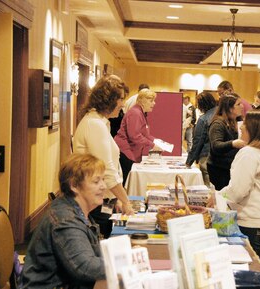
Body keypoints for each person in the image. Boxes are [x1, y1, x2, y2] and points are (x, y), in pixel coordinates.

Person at [20, 153, 106, 289]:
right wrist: (126, 263)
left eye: (103, 180)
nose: (103, 186)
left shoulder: (74, 209)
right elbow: (85, 268)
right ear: (74, 185)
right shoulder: (65, 220)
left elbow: (90, 252)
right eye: (96, 181)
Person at [73, 75, 134, 238]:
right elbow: (106, 169)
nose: (122, 104)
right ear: (108, 100)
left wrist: (119, 199)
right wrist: (126, 201)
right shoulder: (95, 124)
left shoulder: (100, 122)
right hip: (93, 201)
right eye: (120, 99)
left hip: (102, 199)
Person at [219, 110, 260, 260]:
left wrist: (219, 196)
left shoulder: (249, 153)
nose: (240, 127)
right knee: (257, 266)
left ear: (254, 129)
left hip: (252, 220)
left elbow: (238, 191)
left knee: (247, 269)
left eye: (245, 124)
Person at [114, 89, 161, 186]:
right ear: (143, 101)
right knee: (125, 183)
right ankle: (125, 201)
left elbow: (145, 134)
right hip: (125, 152)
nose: (154, 103)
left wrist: (157, 141)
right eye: (151, 100)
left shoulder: (141, 113)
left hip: (131, 152)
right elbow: (134, 136)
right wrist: (152, 145)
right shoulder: (136, 113)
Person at [207, 94, 246, 190]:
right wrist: (233, 144)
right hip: (219, 169)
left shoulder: (236, 121)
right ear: (230, 108)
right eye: (238, 104)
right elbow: (216, 146)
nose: (242, 106)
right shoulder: (218, 124)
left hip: (230, 167)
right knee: (222, 196)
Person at [185, 92, 217, 187]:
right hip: (222, 157)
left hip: (207, 157)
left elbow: (198, 142)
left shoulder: (204, 119)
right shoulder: (223, 115)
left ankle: (213, 201)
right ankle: (222, 200)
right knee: (221, 188)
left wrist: (189, 161)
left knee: (209, 187)